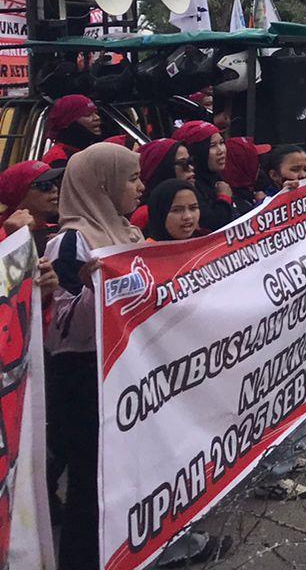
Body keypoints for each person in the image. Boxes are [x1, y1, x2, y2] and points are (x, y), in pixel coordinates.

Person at [44, 145, 146, 570]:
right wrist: (95, 288)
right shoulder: (70, 242)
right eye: (132, 178)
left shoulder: (127, 232)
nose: (141, 187)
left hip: (126, 369)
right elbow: (62, 327)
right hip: (84, 377)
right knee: (91, 484)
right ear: (102, 184)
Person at [173, 120, 237, 232]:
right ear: (196, 152)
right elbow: (210, 224)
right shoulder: (190, 186)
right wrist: (224, 199)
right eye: (212, 145)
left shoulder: (217, 179)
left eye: (222, 143)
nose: (221, 150)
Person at [40, 95, 119, 168]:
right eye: (88, 114)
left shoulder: (96, 150)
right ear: (69, 122)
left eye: (96, 113)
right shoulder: (57, 158)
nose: (97, 117)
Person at [0, 160, 62, 251]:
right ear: (19, 194)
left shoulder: (59, 231)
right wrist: (16, 239)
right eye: (45, 185)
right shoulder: (5, 238)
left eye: (55, 182)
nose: (55, 189)